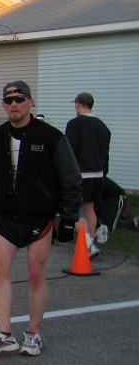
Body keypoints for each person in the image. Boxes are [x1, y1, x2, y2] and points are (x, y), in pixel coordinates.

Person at [0, 80, 82, 358]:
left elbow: (71, 178)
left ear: (31, 103)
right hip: (8, 215)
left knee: (36, 273)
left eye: (19, 99)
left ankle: (33, 333)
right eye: (8, 100)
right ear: (3, 105)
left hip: (39, 217)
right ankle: (3, 333)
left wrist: (68, 217)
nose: (14, 104)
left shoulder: (51, 137)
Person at [65, 91, 112, 255]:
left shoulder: (75, 124)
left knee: (75, 210)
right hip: (98, 174)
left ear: (78, 104)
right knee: (90, 208)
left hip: (81, 174)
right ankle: (90, 242)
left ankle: (87, 244)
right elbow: (106, 152)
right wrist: (104, 171)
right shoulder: (102, 126)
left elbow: (69, 151)